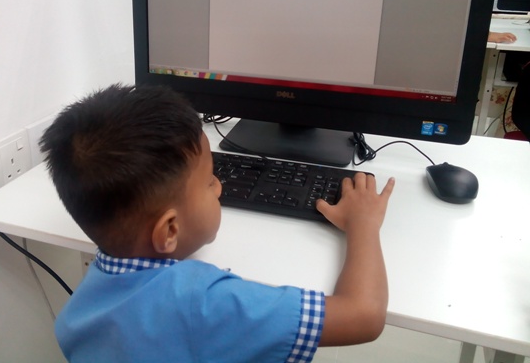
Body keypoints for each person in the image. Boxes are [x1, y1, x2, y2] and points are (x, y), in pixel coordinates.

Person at [40, 84, 396, 363]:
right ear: (170, 230)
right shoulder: (207, 303)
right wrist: (363, 224)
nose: (220, 187)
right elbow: (364, 316)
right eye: (210, 181)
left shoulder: (75, 315)